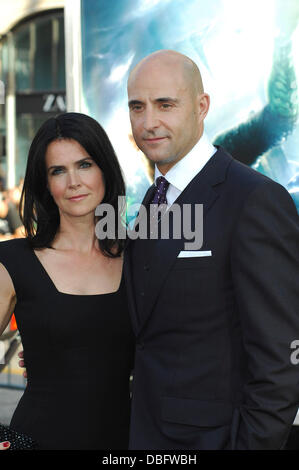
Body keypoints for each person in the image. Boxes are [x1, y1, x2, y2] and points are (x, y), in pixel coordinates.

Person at [124, 50, 299, 449]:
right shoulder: (153, 200)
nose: (149, 122)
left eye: (165, 105)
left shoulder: (253, 199)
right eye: (138, 107)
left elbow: (280, 362)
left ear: (202, 107)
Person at [0, 112, 134, 450]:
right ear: (45, 183)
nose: (73, 181)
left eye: (84, 165)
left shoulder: (139, 257)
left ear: (105, 169)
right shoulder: (14, 261)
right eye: (58, 171)